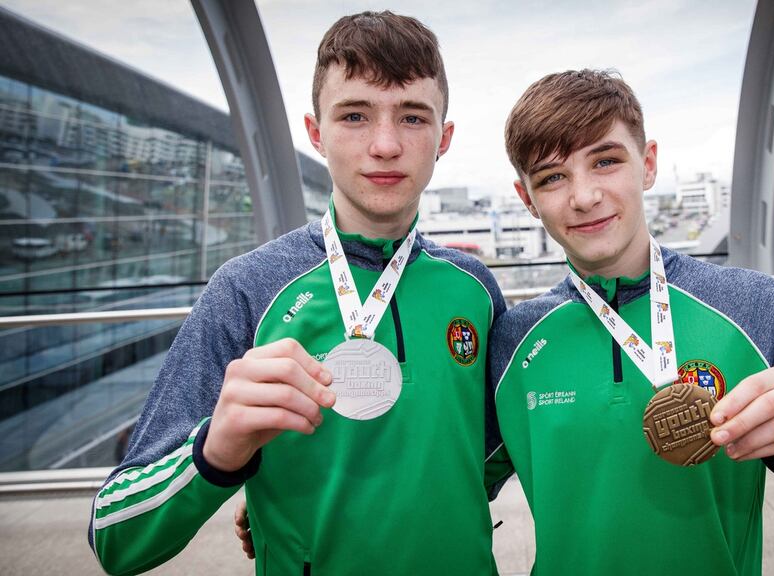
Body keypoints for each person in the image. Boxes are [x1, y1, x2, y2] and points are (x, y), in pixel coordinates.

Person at [89, 12, 504, 575]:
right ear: (315, 133)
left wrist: (322, 499)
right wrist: (218, 455)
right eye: (354, 115)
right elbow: (114, 537)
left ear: (443, 138)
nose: (385, 144)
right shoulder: (247, 288)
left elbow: (489, 457)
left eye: (412, 116)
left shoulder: (475, 288)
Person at [482, 69, 774, 574]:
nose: (583, 196)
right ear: (527, 199)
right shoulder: (514, 339)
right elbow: (454, 485)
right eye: (552, 177)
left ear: (648, 165)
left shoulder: (752, 305)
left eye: (605, 161)